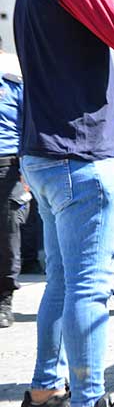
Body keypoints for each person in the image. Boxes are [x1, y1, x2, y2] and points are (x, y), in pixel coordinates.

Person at [13, 0, 114, 407]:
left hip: (48, 153)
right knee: (88, 289)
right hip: (80, 156)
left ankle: (45, 394)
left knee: (62, 283)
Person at [0, 37, 26, 329]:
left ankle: (4, 298)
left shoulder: (13, 87)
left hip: (6, 165)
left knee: (7, 234)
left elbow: (26, 126)